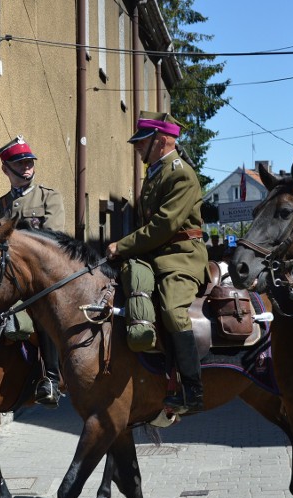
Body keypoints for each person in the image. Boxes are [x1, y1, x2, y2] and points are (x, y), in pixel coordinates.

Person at [106, 111, 209, 414]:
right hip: (155, 254)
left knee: (171, 309)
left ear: (161, 141)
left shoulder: (180, 173)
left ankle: (192, 389)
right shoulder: (155, 172)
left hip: (181, 256)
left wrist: (122, 245)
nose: (137, 148)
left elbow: (164, 225)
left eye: (142, 142)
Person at [0, 135, 65, 407]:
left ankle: (51, 379)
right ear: (5, 169)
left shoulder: (49, 197)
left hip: (40, 277)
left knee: (44, 315)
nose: (26, 167)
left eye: (29, 162)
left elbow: (54, 238)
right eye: (20, 163)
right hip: (9, 278)